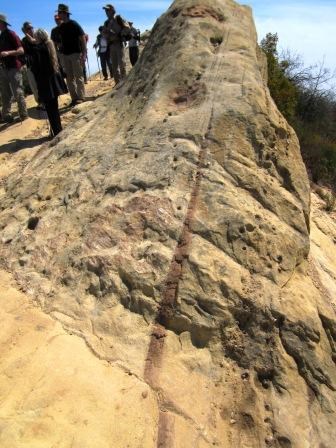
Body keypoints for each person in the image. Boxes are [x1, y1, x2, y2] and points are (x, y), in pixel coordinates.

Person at [29, 28, 67, 136]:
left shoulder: (38, 50)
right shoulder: (50, 45)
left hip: (45, 82)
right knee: (54, 108)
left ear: (39, 37)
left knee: (50, 109)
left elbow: (35, 68)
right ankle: (58, 129)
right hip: (53, 81)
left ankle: (56, 132)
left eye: (36, 37)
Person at [56, 3, 86, 106]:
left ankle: (81, 97)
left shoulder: (74, 24)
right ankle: (74, 98)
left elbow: (82, 38)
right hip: (65, 55)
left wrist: (84, 53)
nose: (58, 14)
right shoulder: (62, 27)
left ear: (65, 13)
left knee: (78, 76)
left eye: (59, 12)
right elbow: (61, 41)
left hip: (76, 54)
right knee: (69, 78)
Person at [0, 13, 28, 123]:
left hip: (14, 67)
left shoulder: (12, 34)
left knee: (18, 91)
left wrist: (8, 53)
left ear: (2, 23)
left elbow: (21, 50)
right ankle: (7, 115)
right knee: (5, 92)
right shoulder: (1, 36)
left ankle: (23, 115)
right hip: (4, 68)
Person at [21, 21, 43, 109]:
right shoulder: (24, 40)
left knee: (41, 83)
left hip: (41, 64)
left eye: (31, 28)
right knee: (34, 85)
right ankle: (40, 102)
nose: (31, 30)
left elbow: (35, 43)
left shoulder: (38, 37)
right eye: (28, 29)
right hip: (30, 65)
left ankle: (45, 101)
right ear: (25, 30)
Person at [103, 4, 126, 84]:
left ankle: (124, 82)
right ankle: (117, 83)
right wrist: (107, 35)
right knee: (114, 66)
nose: (106, 12)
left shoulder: (118, 18)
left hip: (119, 43)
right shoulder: (106, 23)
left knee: (122, 64)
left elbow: (126, 28)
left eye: (108, 10)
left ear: (112, 10)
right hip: (111, 45)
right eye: (106, 11)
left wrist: (118, 35)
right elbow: (104, 34)